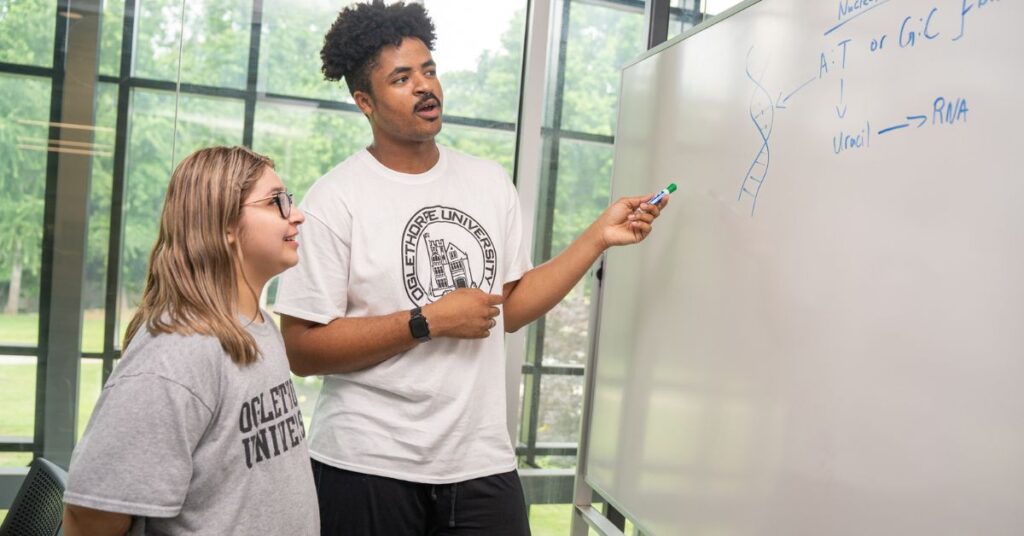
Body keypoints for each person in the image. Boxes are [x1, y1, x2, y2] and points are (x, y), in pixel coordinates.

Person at [273, 2, 669, 534]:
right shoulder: (335, 198)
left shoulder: (486, 183)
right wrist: (426, 320)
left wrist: (598, 236)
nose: (424, 87)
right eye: (402, 78)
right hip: (366, 465)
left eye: (429, 70)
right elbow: (301, 349)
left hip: (480, 460)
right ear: (364, 101)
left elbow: (509, 306)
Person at [62, 146, 318, 535]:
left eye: (291, 201)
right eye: (275, 203)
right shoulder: (178, 351)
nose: (295, 214)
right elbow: (90, 516)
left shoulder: (258, 326)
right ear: (225, 226)